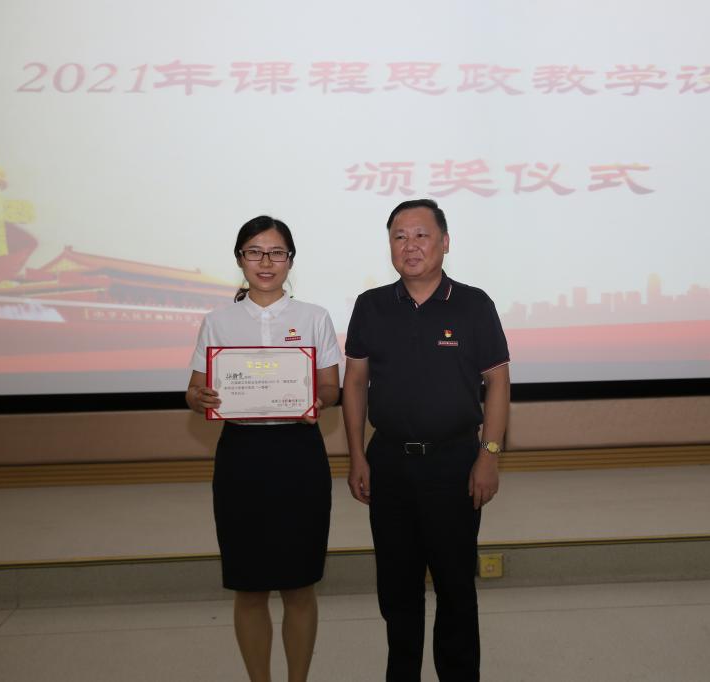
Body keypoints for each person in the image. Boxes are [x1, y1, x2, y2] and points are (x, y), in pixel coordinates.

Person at [342, 198, 510, 681]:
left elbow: (498, 382)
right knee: (397, 590)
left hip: (455, 463)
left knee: (456, 587)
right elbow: (355, 383)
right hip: (389, 462)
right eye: (399, 236)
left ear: (445, 242)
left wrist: (489, 455)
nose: (410, 246)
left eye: (421, 235)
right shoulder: (371, 306)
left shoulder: (474, 305)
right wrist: (356, 456)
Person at [185, 215, 342, 682]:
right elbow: (194, 389)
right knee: (248, 586)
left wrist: (317, 399)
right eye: (254, 252)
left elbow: (331, 388)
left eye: (276, 253)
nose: (266, 262)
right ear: (240, 259)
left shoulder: (314, 317)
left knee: (299, 586)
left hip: (299, 454)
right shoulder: (217, 321)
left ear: (290, 260)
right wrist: (200, 398)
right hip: (242, 457)